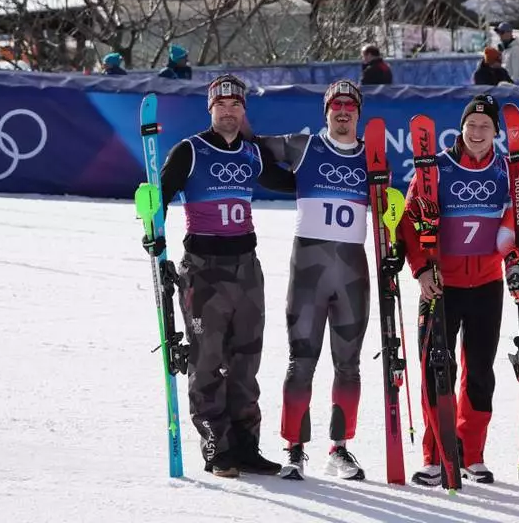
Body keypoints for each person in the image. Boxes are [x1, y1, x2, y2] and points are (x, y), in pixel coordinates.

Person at [149, 75, 295, 478]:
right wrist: (152, 232)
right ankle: (217, 447)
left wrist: (326, 168)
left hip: (247, 266)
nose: (228, 111)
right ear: (210, 110)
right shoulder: (190, 151)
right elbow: (157, 197)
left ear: (243, 110)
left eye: (235, 105)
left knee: (246, 361)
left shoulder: (251, 152)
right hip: (204, 269)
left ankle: (246, 446)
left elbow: (289, 182)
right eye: (221, 105)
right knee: (208, 360)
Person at [396, 94, 519, 486]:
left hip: (486, 283)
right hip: (441, 284)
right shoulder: (435, 169)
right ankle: (436, 454)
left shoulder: (508, 171)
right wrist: (420, 270)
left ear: (497, 134)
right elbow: (410, 221)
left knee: (480, 371)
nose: (478, 132)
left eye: (486, 126)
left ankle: (472, 453)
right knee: (438, 367)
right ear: (462, 127)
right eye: (472, 125)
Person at [251, 80, 373, 481]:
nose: (342, 112)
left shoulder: (371, 158)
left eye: (349, 106)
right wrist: (288, 182)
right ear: (326, 112)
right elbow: (250, 146)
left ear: (358, 113)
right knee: (301, 362)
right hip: (308, 274)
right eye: (335, 105)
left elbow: (394, 208)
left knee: (349, 365)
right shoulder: (302, 147)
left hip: (353, 275)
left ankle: (339, 449)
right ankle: (294, 448)